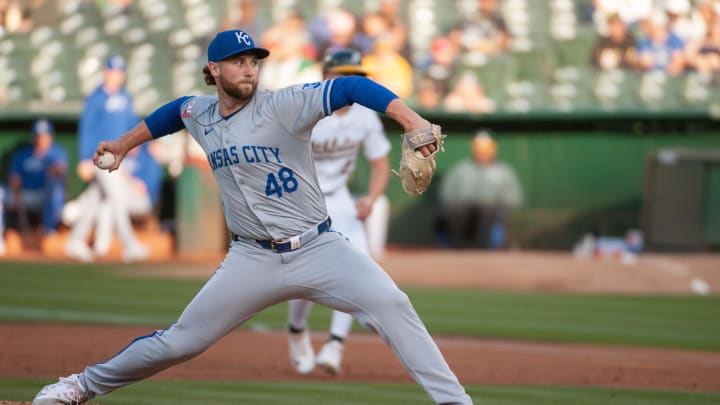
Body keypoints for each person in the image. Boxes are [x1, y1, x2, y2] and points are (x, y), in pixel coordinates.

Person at [31, 29, 473, 405]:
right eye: (237, 61)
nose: (248, 68)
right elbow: (172, 114)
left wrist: (407, 115)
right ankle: (78, 387)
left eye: (254, 61)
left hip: (319, 247)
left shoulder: (284, 105)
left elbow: (350, 89)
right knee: (182, 341)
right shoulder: (199, 113)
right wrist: (126, 143)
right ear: (214, 71)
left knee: (393, 304)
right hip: (251, 259)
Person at [285, 48, 392, 375]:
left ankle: (334, 344)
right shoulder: (306, 112)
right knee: (304, 278)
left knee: (357, 267)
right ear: (325, 76)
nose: (349, 82)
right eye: (342, 74)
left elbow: (380, 164)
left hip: (342, 200)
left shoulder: (364, 115)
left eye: (355, 76)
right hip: (305, 199)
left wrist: (372, 198)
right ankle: (296, 330)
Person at [64, 54, 149, 263]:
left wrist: (134, 142)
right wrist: (84, 158)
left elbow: (131, 123)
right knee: (117, 197)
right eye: (112, 71)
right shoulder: (95, 99)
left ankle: (75, 240)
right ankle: (129, 245)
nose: (115, 76)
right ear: (106, 72)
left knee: (96, 198)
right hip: (100, 157)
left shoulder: (125, 97)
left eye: (119, 72)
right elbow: (87, 129)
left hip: (119, 157)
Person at [436, 129, 523, 250]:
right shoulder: (462, 169)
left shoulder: (504, 172)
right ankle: (458, 250)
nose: (483, 153)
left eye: (486, 148)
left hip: (490, 215)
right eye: (479, 148)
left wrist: (498, 207)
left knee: (487, 213)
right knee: (452, 212)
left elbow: (513, 200)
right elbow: (447, 194)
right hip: (464, 214)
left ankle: (482, 253)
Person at [0, 118, 67, 251]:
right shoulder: (23, 154)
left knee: (56, 188)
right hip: (23, 194)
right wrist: (16, 194)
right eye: (38, 136)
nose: (41, 139)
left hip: (44, 195)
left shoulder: (56, 153)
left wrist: (56, 170)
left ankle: (48, 232)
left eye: (44, 136)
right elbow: (14, 178)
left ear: (50, 136)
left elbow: (61, 170)